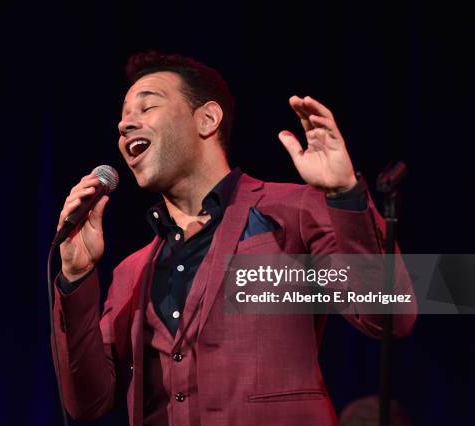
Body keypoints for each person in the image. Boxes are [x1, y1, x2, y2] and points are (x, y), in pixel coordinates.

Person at [51, 51, 416, 426]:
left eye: (147, 107)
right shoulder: (132, 271)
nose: (125, 125)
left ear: (207, 119)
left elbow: (391, 317)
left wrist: (345, 195)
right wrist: (75, 277)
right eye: (124, 116)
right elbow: (87, 402)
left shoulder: (292, 210)